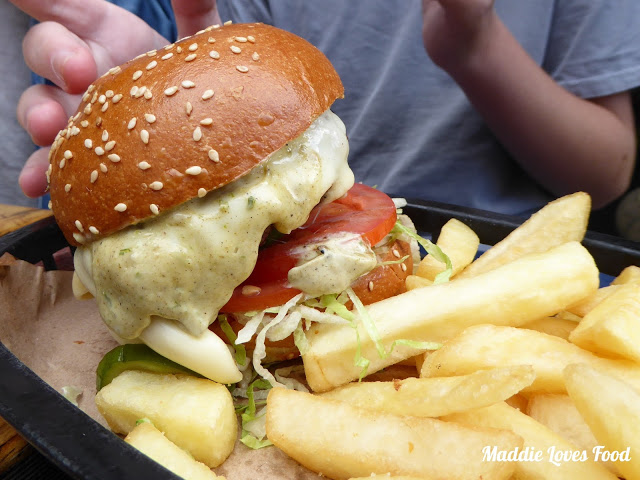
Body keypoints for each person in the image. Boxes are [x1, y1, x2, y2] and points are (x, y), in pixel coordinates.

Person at [8, 0, 640, 218]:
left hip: (503, 257)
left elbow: (607, 173)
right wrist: (170, 131)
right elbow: (231, 79)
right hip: (297, 238)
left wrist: (478, 50)